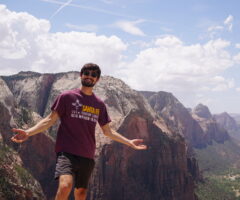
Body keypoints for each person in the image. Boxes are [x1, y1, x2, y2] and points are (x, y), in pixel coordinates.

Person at [10, 63, 147, 200]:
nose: (90, 76)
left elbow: (108, 131)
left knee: (80, 193)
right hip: (66, 152)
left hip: (87, 154)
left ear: (97, 79)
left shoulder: (99, 104)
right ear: (81, 75)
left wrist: (129, 142)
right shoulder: (67, 97)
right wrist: (28, 132)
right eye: (87, 73)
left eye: (94, 75)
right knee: (65, 186)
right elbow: (49, 120)